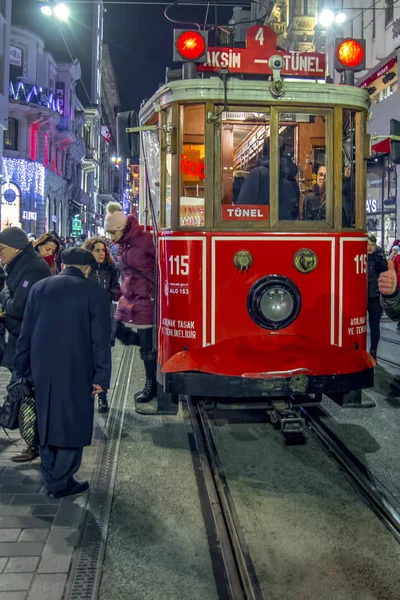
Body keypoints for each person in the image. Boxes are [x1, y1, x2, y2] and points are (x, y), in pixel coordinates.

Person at [14, 248, 111, 498]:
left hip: (42, 366)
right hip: (77, 368)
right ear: (87, 269)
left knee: (46, 419)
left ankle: (50, 474)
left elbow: (26, 334)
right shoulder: (95, 293)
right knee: (73, 421)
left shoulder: (39, 288)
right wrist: (101, 376)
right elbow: (100, 340)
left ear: (62, 264)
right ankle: (61, 481)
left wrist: (22, 368)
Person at [0, 227, 51, 462]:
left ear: (15, 248)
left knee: (28, 392)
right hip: (21, 337)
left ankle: (36, 443)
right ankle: (34, 441)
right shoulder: (19, 264)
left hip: (30, 340)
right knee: (24, 390)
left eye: (2, 249)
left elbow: (18, 306)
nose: (0, 255)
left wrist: (5, 297)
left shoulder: (32, 267)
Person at [104, 202, 157, 403]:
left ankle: (150, 384)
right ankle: (151, 348)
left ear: (120, 228)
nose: (110, 237)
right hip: (129, 296)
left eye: (112, 232)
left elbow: (161, 261)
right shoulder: (123, 243)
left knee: (145, 346)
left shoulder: (144, 240)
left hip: (145, 297)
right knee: (117, 330)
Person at [83, 236, 121, 413]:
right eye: (97, 250)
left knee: (103, 356)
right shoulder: (85, 270)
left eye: (103, 250)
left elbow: (116, 291)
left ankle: (102, 394)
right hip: (86, 317)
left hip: (105, 316)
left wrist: (111, 293)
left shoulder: (110, 269)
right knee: (87, 354)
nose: (101, 253)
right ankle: (87, 391)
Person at [234, 139, 300, 220]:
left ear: (264, 150)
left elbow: (242, 211)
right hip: (285, 229)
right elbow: (295, 209)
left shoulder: (257, 174)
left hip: (262, 229)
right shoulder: (291, 177)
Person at [367, 235, 388, 360]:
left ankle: (373, 351)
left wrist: (380, 255)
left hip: (374, 296)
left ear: (375, 246)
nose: (370, 247)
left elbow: (385, 269)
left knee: (374, 325)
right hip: (361, 297)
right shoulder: (359, 256)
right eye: (368, 244)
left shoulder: (379, 257)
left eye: (372, 245)